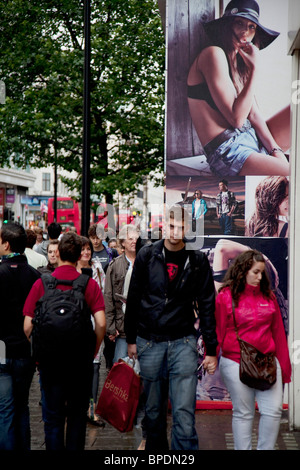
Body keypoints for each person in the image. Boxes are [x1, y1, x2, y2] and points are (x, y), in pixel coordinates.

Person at [124, 205, 218, 451]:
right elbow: (133, 297)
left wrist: (210, 348)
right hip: (150, 340)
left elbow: (208, 304)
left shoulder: (196, 260)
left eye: (182, 227)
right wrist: (131, 338)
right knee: (154, 414)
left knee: (184, 413)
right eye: (172, 225)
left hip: (183, 341)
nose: (176, 232)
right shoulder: (147, 255)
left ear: (188, 228)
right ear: (163, 225)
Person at [187, 0, 290, 177]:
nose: (245, 32)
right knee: (295, 177)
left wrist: (276, 151)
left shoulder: (239, 64)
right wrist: (255, 69)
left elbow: (254, 115)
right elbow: (236, 120)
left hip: (251, 138)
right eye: (239, 23)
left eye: (251, 27)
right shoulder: (213, 54)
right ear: (227, 25)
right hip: (227, 152)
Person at [23, 232, 106, 451]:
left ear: (57, 253)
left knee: (53, 418)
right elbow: (101, 323)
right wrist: (93, 349)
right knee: (77, 418)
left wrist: (40, 346)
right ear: (80, 255)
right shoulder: (88, 284)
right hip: (79, 362)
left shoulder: (42, 283)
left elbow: (27, 325)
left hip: (50, 363)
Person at [215, 249, 291, 450]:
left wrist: (285, 368)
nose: (259, 277)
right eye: (255, 272)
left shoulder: (269, 297)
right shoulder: (225, 296)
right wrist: (212, 355)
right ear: (243, 271)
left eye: (261, 272)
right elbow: (218, 330)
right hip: (235, 361)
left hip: (267, 360)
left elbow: (279, 335)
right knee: (243, 413)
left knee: (273, 411)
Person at [0, 222, 41, 450]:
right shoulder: (35, 276)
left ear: (6, 244)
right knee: (22, 406)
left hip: (2, 349)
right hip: (26, 350)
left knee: (5, 409)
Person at [76, 236, 106, 426]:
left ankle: (91, 409)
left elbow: (102, 293)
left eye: (88, 249)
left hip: (94, 321)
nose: (86, 252)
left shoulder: (97, 267)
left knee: (95, 366)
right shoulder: (70, 268)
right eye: (83, 249)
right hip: (75, 323)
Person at [104, 224, 139, 364]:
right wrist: (111, 328)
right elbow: (108, 297)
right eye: (130, 238)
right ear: (123, 243)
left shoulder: (147, 263)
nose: (134, 241)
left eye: (136, 238)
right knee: (119, 367)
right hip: (122, 328)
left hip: (143, 329)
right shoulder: (114, 266)